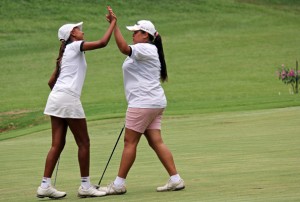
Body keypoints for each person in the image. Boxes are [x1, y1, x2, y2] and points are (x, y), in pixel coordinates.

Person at [36, 6, 117, 199]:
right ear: (73, 34)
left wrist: (60, 98)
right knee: (84, 142)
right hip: (67, 98)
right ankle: (85, 186)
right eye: (79, 29)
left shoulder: (64, 54)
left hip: (56, 98)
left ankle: (45, 185)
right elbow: (103, 43)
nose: (82, 31)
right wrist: (114, 22)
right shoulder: (74, 46)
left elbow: (50, 82)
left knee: (57, 144)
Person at [99, 19, 185, 195]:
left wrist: (114, 26)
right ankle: (176, 179)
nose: (133, 34)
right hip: (153, 103)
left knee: (130, 142)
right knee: (156, 141)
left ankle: (118, 184)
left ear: (146, 35)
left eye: (136, 31)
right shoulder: (146, 50)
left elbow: (123, 47)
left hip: (143, 103)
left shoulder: (144, 48)